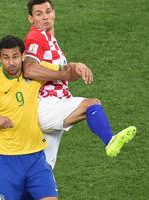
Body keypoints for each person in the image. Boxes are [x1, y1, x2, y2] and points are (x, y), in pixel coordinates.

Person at [23, 0, 136, 169]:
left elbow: (64, 74)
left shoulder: (51, 41)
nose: (45, 17)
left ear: (54, 12)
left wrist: (76, 68)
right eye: (39, 14)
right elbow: (29, 69)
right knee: (91, 104)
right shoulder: (36, 36)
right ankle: (109, 140)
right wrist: (63, 72)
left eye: (48, 11)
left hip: (52, 107)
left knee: (42, 172)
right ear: (31, 19)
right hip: (45, 105)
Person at [0, 35, 66, 200]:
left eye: (15, 57)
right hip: (5, 159)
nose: (11, 62)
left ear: (23, 55)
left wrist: (77, 67)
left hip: (36, 156)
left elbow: (63, 70)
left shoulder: (33, 71)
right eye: (6, 57)